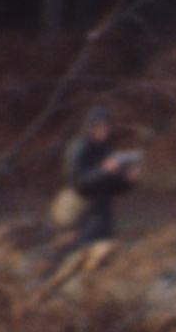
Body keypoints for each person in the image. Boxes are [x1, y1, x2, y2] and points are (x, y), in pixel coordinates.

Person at [56, 106, 140, 250]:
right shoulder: (78, 148)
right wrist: (104, 170)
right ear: (90, 127)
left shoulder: (104, 149)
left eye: (106, 126)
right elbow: (78, 183)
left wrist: (128, 181)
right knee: (80, 250)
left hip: (101, 213)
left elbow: (110, 186)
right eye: (99, 126)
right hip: (80, 212)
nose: (104, 130)